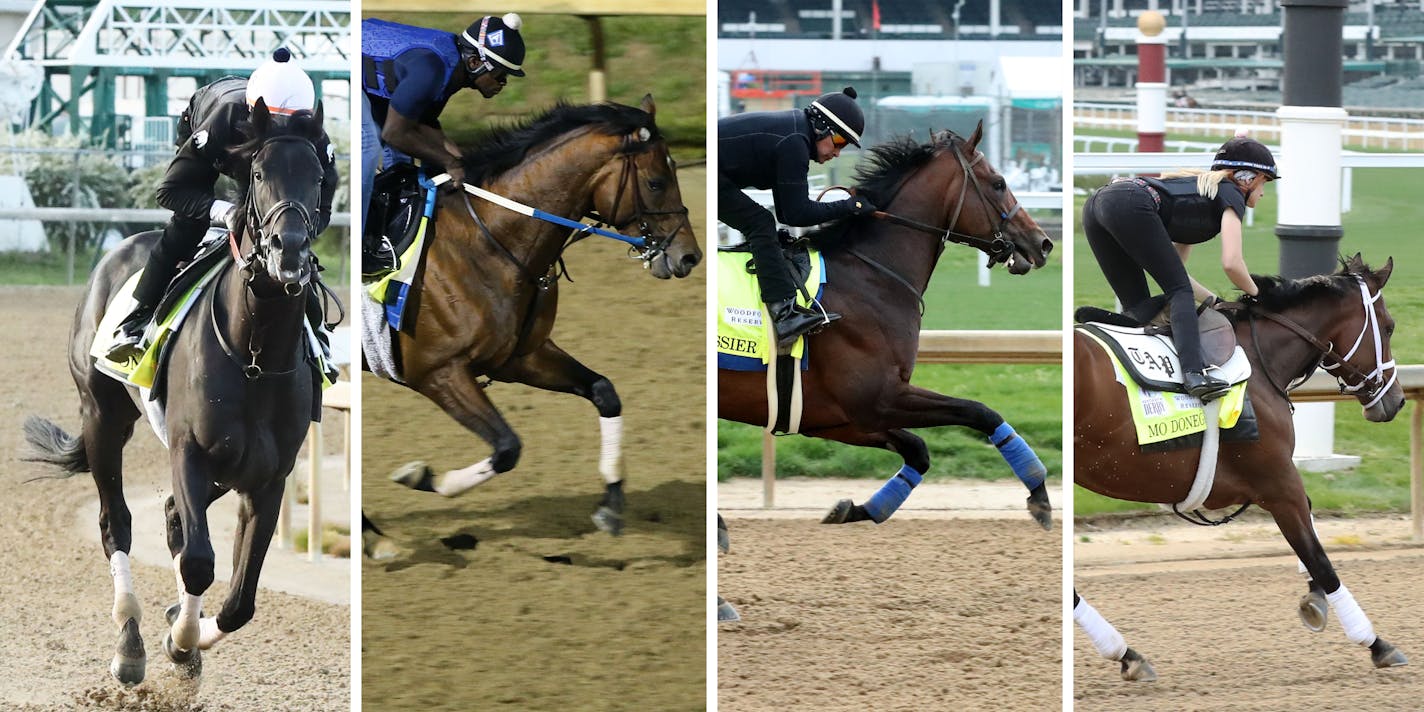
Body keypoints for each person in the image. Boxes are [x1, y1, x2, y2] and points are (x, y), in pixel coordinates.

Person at [107, 49, 338, 362]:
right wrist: (222, 210)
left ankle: (316, 335)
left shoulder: (314, 137)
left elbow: (323, 203)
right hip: (217, 133)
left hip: (270, 166)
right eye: (274, 122)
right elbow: (171, 191)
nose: (283, 129)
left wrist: (299, 230)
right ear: (257, 114)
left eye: (291, 124)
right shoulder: (226, 118)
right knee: (185, 230)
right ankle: (136, 320)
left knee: (292, 242)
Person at [1081, 135, 1277, 402]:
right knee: (1178, 293)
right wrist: (1257, 294)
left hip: (1097, 205)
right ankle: (1194, 374)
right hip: (1128, 203)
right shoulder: (1232, 193)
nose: (1264, 192)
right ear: (1246, 178)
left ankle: (1118, 330)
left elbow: (1176, 271)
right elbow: (1232, 262)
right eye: (1264, 182)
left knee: (1141, 306)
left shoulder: (1197, 198)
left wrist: (1213, 300)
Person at [359, 13, 526, 277]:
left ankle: (384, 233)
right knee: (369, 144)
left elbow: (425, 122)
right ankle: (360, 248)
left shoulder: (454, 69)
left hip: (375, 80)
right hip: (353, 67)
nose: (503, 83)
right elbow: (395, 132)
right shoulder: (433, 69)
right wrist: (448, 162)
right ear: (474, 62)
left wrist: (459, 159)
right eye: (501, 74)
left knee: (403, 162)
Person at [718, 86, 877, 350]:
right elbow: (797, 214)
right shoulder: (795, 142)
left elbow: (787, 212)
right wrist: (849, 206)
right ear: (821, 126)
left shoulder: (796, 133)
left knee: (765, 224)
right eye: (839, 142)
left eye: (845, 146)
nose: (837, 153)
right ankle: (783, 315)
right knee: (760, 224)